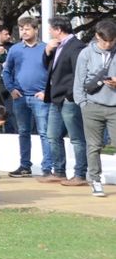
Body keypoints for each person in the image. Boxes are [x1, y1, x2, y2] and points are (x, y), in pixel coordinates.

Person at [72, 20, 116, 197]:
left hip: (114, 106)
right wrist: (82, 103)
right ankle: (95, 180)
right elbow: (79, 81)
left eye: (112, 41)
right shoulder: (86, 53)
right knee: (93, 146)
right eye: (105, 41)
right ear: (97, 36)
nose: (108, 44)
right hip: (92, 106)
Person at [1, 18, 50, 179]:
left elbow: (53, 72)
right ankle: (24, 166)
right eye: (21, 29)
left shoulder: (45, 48)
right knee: (23, 131)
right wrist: (11, 89)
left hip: (40, 97)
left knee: (44, 132)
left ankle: (47, 167)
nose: (24, 32)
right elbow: (7, 71)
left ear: (36, 30)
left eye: (27, 29)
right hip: (20, 97)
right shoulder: (15, 49)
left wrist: (45, 91)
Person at [42, 16, 86, 185]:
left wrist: (70, 95)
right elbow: (48, 67)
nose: (49, 32)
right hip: (55, 97)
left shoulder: (76, 46)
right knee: (52, 136)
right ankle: (58, 171)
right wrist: (47, 51)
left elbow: (78, 73)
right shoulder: (57, 45)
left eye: (50, 29)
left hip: (68, 99)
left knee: (76, 137)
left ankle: (80, 174)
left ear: (58, 29)